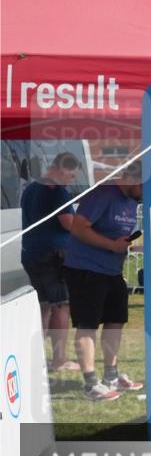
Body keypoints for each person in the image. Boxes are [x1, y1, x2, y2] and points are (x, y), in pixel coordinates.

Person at [64, 164, 145, 401]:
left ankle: (111, 376)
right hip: (85, 269)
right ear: (132, 178)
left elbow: (116, 234)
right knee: (87, 325)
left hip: (112, 270)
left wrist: (126, 245)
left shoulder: (131, 199)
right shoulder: (103, 193)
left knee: (115, 321)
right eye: (143, 186)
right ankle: (91, 384)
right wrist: (111, 245)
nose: (145, 193)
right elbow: (78, 228)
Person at [20, 152, 81, 372]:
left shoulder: (30, 189)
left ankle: (34, 357)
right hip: (53, 256)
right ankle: (59, 360)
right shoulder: (57, 191)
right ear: (62, 168)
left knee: (44, 306)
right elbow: (68, 223)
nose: (71, 181)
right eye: (71, 175)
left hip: (31, 253)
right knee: (61, 305)